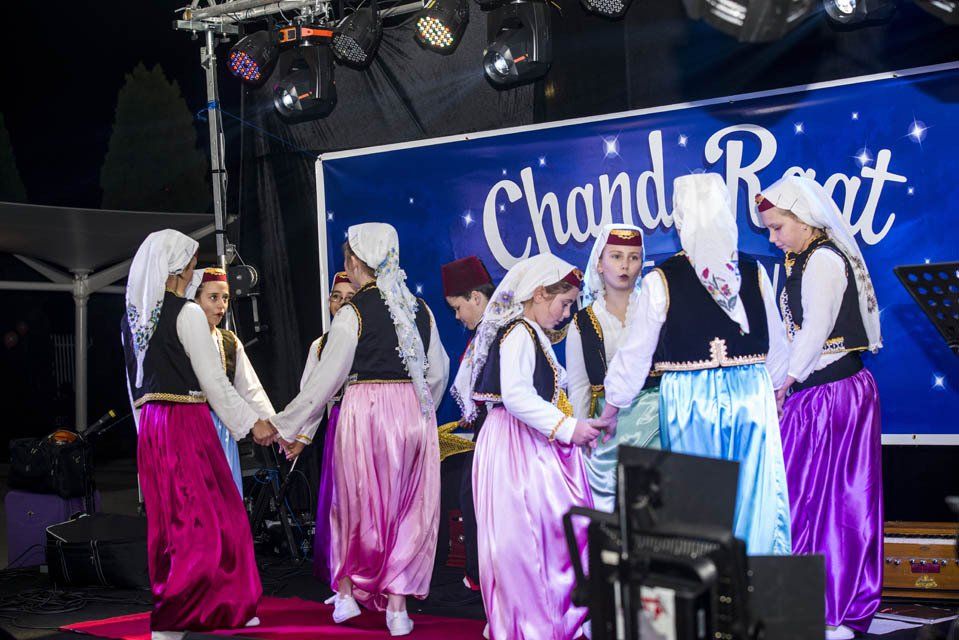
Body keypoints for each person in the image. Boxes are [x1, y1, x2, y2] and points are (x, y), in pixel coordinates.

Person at [272, 223, 449, 636]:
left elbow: (324, 382)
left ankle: (348, 593)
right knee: (410, 508)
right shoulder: (420, 309)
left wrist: (286, 424)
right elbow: (437, 372)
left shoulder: (351, 314)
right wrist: (421, 409)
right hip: (414, 415)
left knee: (356, 503)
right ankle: (398, 607)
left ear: (355, 261)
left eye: (347, 257)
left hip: (366, 411)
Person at [601, 173, 792, 556]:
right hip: (750, 392)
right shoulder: (754, 272)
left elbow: (636, 352)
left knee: (696, 498)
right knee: (755, 493)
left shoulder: (662, 279)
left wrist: (611, 408)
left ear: (681, 218)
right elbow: (776, 340)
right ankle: (754, 591)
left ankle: (705, 592)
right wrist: (775, 389)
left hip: (690, 398)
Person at [121, 230, 277, 639]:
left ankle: (228, 605)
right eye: (190, 261)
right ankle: (174, 617)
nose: (193, 267)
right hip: (186, 423)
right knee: (203, 523)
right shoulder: (186, 314)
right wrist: (252, 425)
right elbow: (214, 384)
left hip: (154, 427)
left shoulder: (133, 319)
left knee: (185, 521)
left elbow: (133, 387)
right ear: (178, 268)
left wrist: (145, 434)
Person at [452, 253, 609, 640]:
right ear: (539, 293)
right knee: (525, 539)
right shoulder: (519, 332)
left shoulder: (529, 332)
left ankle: (538, 618)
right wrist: (568, 428)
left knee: (539, 533)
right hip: (515, 444)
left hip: (520, 440)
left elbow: (544, 390)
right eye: (564, 302)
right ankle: (531, 623)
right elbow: (519, 396)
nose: (566, 312)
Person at [757, 176, 883, 640]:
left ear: (803, 219)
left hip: (835, 396)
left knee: (836, 501)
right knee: (802, 499)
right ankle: (804, 602)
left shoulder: (825, 260)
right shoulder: (798, 258)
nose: (772, 238)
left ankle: (835, 607)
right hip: (814, 396)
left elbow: (814, 332)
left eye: (777, 227)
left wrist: (784, 383)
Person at [566, 224, 661, 512]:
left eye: (634, 257)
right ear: (599, 262)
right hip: (608, 428)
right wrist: (581, 435)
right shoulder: (582, 322)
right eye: (616, 256)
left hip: (657, 421)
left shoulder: (655, 308)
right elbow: (580, 387)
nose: (625, 265)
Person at [286, 271, 355, 586]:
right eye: (336, 297)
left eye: (349, 298)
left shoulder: (367, 336)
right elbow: (312, 394)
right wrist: (301, 437)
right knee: (340, 499)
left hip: (370, 419)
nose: (340, 304)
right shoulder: (321, 345)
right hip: (339, 424)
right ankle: (341, 571)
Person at [186, 267, 275, 496]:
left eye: (225, 298)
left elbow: (250, 387)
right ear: (194, 300)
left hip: (223, 430)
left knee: (226, 497)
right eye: (213, 297)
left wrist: (273, 426)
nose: (221, 305)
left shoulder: (229, 341)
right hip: (192, 430)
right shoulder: (182, 340)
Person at [440, 255, 495, 593]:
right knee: (471, 496)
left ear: (476, 297)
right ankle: (480, 574)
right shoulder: (486, 330)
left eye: (458, 308)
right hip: (486, 428)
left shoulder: (495, 330)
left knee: (480, 499)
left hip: (499, 429)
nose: (458, 317)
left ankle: (485, 576)